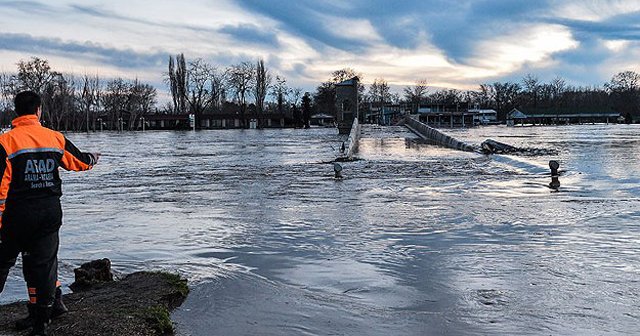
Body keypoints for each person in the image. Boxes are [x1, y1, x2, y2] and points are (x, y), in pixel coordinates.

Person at [0, 91, 99, 336]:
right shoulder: (54, 138)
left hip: (16, 216)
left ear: (16, 112)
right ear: (39, 111)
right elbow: (79, 162)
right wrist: (93, 158)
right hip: (49, 214)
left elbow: (1, 186)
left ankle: (42, 313)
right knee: (42, 265)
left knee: (3, 264)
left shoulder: (6, 142)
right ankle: (41, 322)